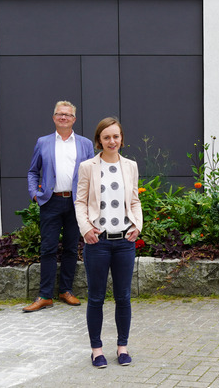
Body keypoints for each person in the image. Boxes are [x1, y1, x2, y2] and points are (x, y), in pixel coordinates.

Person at [75, 117, 142, 369]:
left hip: (125, 242)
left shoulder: (131, 166)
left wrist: (137, 224)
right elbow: (80, 202)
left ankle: (122, 348)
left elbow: (134, 201)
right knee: (96, 298)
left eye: (116, 136)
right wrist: (86, 229)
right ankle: (96, 350)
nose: (111, 141)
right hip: (97, 243)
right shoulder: (88, 167)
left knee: (123, 297)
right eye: (106, 137)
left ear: (121, 138)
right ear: (99, 140)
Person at [24, 101, 94, 312]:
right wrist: (35, 194)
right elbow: (32, 171)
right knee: (48, 248)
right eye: (59, 114)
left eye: (68, 115)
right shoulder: (43, 142)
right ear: (54, 117)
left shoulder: (85, 144)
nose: (63, 117)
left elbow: (92, 173)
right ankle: (45, 295)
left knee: (72, 248)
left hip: (76, 202)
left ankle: (66, 290)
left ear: (74, 119)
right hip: (51, 201)